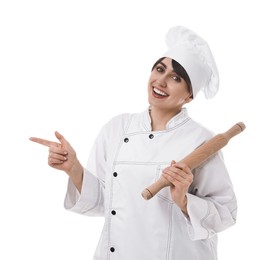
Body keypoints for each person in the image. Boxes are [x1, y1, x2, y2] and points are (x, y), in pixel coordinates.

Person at [30, 26, 237, 260]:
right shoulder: (117, 128)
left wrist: (184, 201)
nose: (161, 81)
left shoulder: (200, 141)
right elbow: (104, 203)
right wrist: (73, 168)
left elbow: (226, 212)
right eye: (159, 69)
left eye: (176, 78)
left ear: (189, 95)